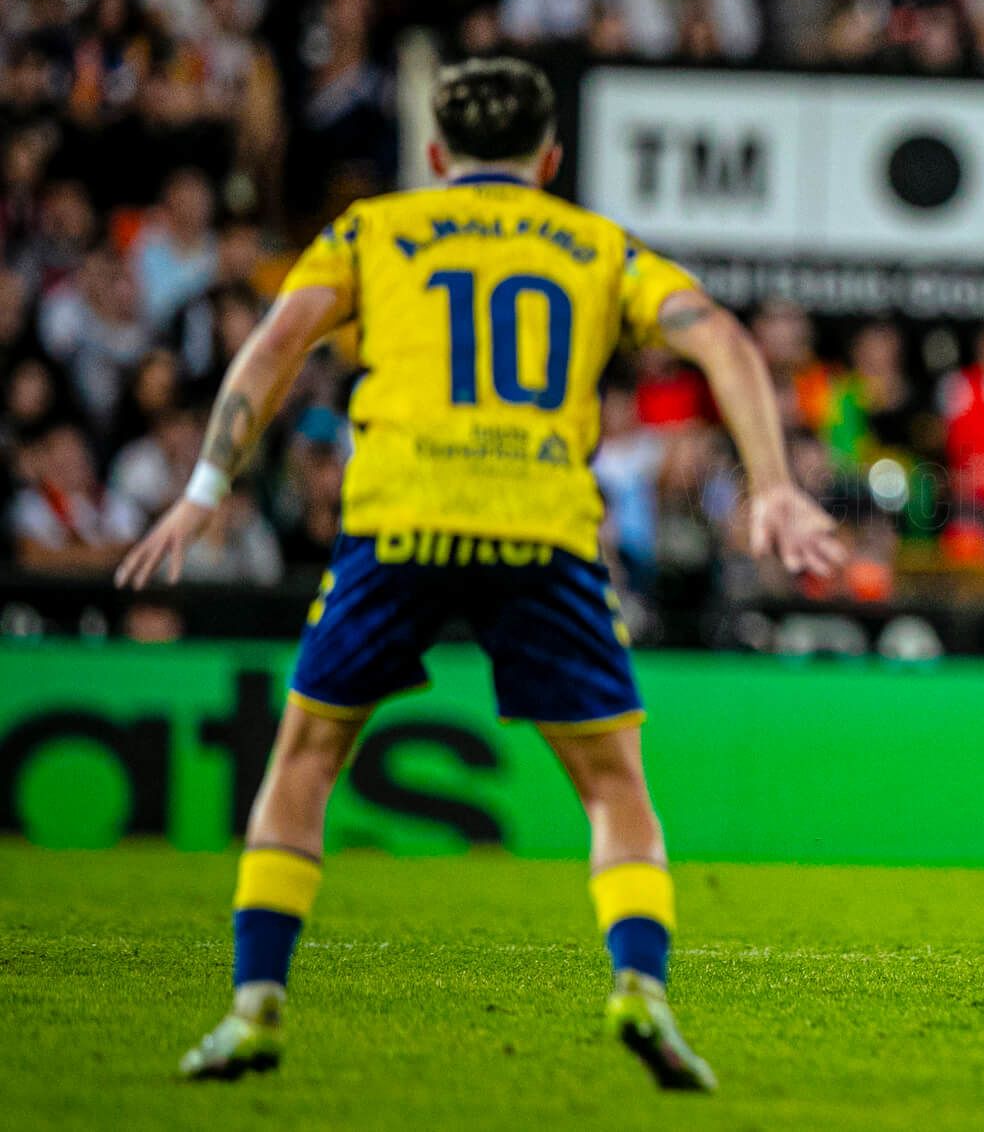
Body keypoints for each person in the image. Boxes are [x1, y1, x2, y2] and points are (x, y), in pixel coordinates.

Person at [117, 56, 845, 1089]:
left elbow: (278, 337)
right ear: (549, 160)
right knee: (611, 784)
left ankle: (254, 1005)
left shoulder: (375, 228)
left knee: (305, 759)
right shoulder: (594, 245)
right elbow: (720, 336)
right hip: (537, 525)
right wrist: (769, 483)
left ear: (433, 155)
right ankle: (640, 986)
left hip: (399, 518)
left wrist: (204, 483)